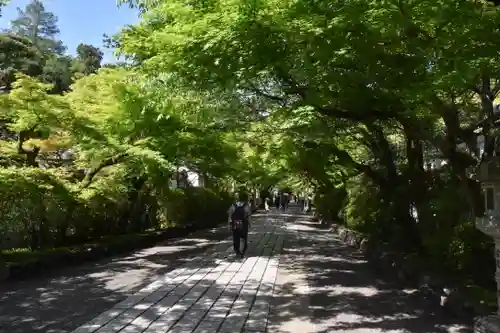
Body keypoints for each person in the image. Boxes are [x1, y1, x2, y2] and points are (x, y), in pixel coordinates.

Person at [227, 191, 251, 258]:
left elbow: (230, 215)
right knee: (243, 238)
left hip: (235, 224)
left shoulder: (233, 205)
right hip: (243, 224)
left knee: (236, 238)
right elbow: (248, 216)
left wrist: (229, 224)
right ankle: (242, 251)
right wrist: (250, 224)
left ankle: (237, 251)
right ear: (246, 198)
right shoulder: (246, 206)